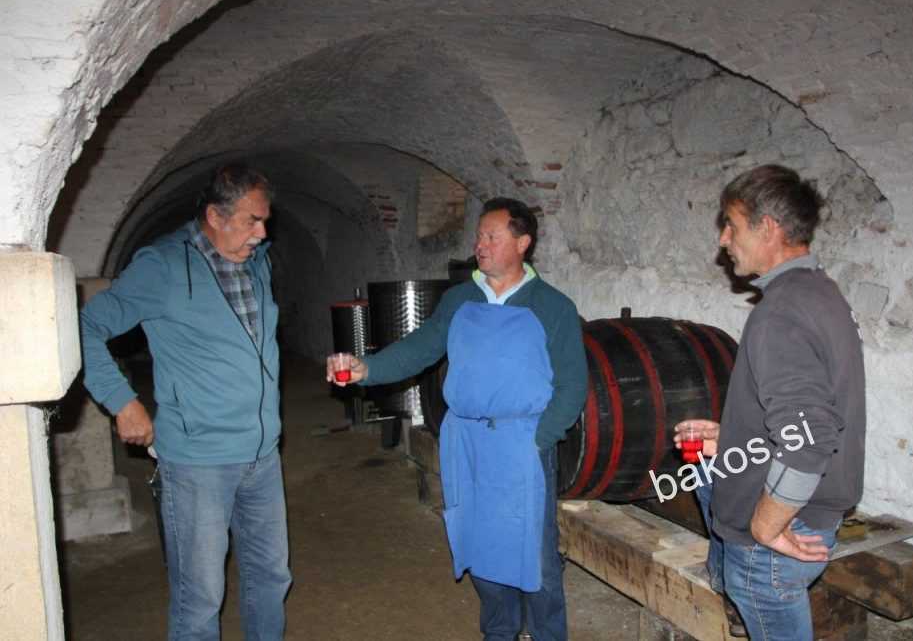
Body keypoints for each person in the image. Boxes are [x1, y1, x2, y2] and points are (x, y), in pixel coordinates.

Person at [328, 197, 588, 641]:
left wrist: (539, 439)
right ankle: (499, 632)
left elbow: (573, 384)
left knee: (536, 553)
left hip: (522, 442)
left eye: (492, 236)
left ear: (522, 243)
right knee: (479, 540)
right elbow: (420, 347)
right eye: (479, 236)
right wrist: (366, 368)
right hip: (466, 441)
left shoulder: (552, 306)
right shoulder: (460, 299)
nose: (479, 245)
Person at [80, 164, 291, 640]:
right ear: (215, 216)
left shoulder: (256, 259)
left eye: (265, 220)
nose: (263, 233)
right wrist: (122, 400)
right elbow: (84, 326)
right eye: (252, 221)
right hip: (199, 463)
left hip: (263, 455)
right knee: (200, 598)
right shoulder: (162, 267)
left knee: (271, 578)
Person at [674, 164, 866, 641]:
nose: (723, 239)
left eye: (732, 225)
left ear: (769, 228)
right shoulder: (819, 293)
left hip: (778, 536)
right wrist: (737, 436)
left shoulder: (779, 312)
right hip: (809, 516)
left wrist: (763, 527)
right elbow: (814, 411)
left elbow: (811, 436)